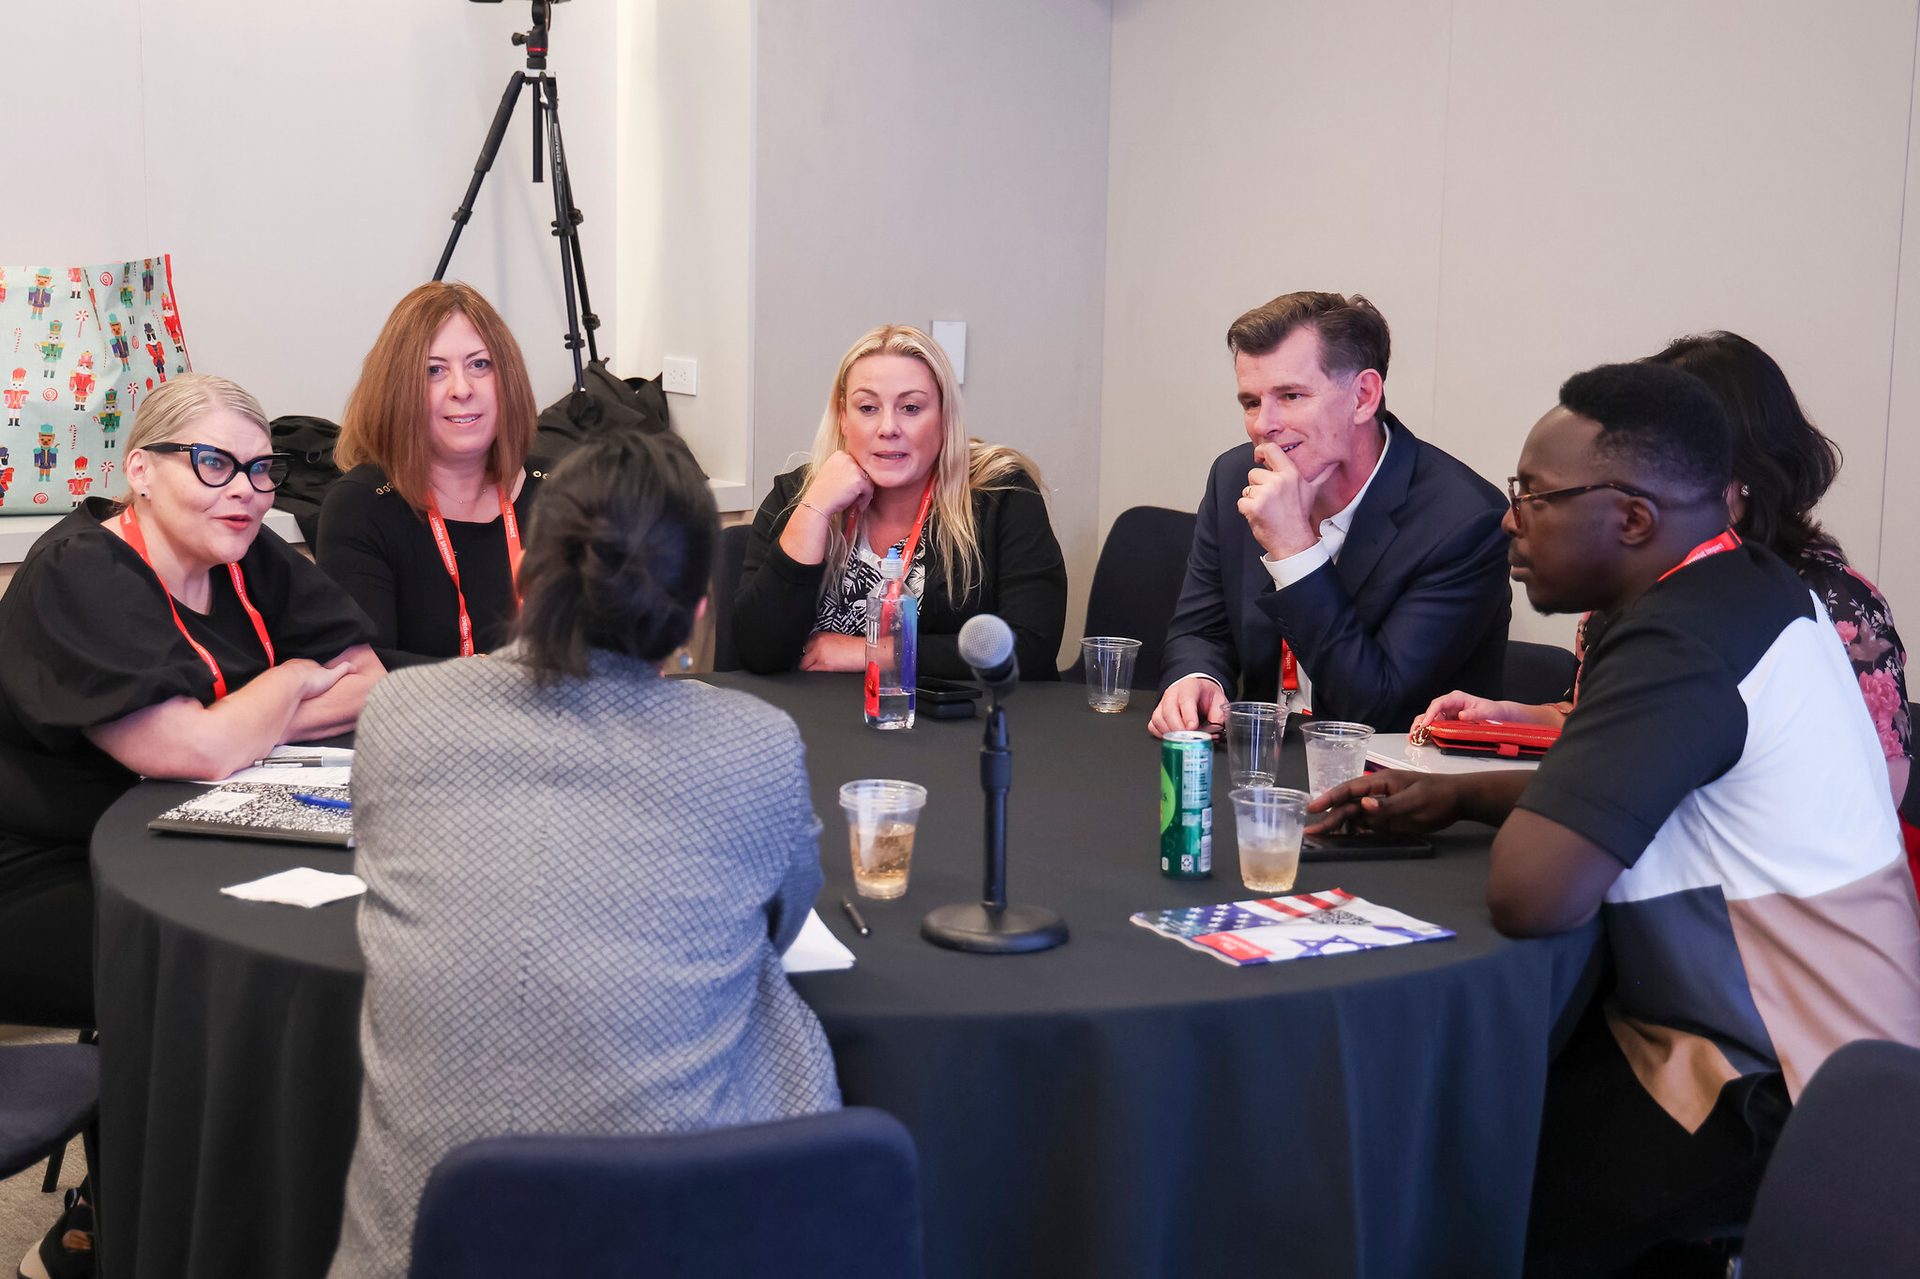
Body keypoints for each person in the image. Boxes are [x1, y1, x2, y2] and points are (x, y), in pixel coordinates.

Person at [1313, 362, 1920, 1275]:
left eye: (1531, 496)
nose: (1507, 519)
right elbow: (1657, 791)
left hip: (1779, 1081)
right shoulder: (1745, 586)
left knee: (1457, 1178)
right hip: (1826, 1043)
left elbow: (1532, 895)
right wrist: (1460, 793)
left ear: (1633, 518)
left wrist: (1502, 813)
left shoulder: (1680, 640)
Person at [329, 428, 840, 1279]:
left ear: (530, 566)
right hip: (676, 1245)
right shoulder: (754, 745)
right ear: (697, 606)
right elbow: (784, 921)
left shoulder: (401, 713)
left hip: (415, 1252)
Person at [0, 375, 380, 1279]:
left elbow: (365, 671)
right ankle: (121, 1227)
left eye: (259, 469)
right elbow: (192, 747)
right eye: (212, 462)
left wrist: (243, 722)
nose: (244, 489)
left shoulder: (249, 553)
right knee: (223, 985)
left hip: (193, 835)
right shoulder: (79, 571)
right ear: (141, 470)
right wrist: (288, 681)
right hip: (38, 871)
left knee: (335, 939)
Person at [1414, 331, 1911, 806]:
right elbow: (1605, 725)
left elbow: (1878, 792)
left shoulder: (1833, 602)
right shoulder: (1632, 588)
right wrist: (1509, 717)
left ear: (1738, 475)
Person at [1150, 291, 1511, 737]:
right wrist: (1196, 679)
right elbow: (1199, 632)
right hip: (1262, 765)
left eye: (1291, 395)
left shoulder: (1465, 521)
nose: (1264, 424)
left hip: (1392, 784)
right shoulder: (1234, 478)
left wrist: (1293, 548)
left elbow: (1375, 710)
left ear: (1363, 396)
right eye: (1250, 402)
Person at [734, 323, 1066, 680]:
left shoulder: (1002, 494)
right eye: (867, 407)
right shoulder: (798, 494)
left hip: (953, 728)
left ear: (944, 416)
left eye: (910, 408)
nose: (888, 427)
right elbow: (757, 651)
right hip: (818, 725)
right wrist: (815, 510)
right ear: (844, 416)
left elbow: (1030, 647)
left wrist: (871, 653)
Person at [317, 281, 543, 667]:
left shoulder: (564, 495)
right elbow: (361, 667)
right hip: (415, 725)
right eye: (434, 370)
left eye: (479, 364)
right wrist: (491, 675)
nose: (461, 388)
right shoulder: (361, 506)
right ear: (398, 390)